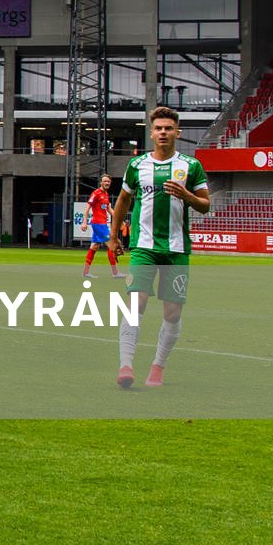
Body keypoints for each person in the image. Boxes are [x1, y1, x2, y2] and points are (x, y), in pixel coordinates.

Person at [110, 106, 210, 389]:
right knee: (135, 302)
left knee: (172, 313)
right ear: (151, 133)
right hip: (144, 246)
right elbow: (123, 202)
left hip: (176, 249)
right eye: (159, 128)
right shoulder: (137, 165)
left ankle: (157, 367)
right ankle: (125, 365)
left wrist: (187, 194)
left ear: (177, 132)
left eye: (168, 128)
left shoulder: (190, 166)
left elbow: (205, 205)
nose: (163, 132)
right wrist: (114, 235)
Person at [81, 173, 124, 281]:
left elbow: (109, 209)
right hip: (98, 224)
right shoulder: (96, 193)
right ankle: (115, 273)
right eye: (105, 181)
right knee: (111, 245)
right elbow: (87, 209)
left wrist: (120, 220)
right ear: (101, 182)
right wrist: (84, 222)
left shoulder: (106, 194)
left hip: (102, 224)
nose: (107, 183)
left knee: (94, 246)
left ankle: (86, 272)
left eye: (108, 181)